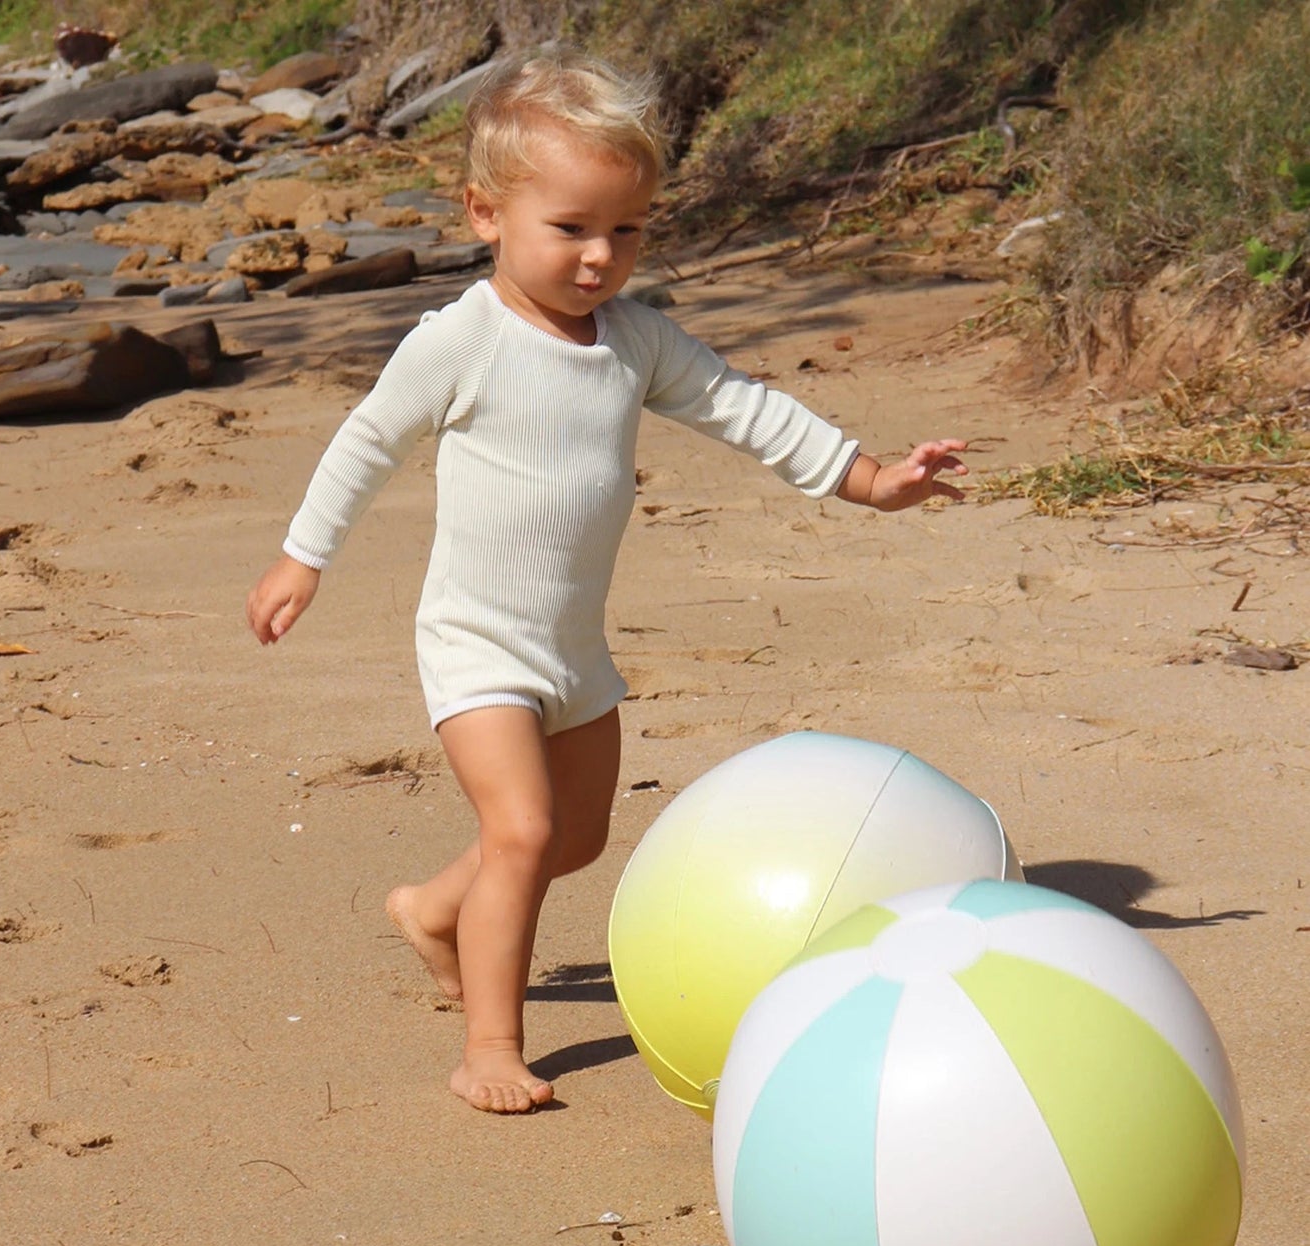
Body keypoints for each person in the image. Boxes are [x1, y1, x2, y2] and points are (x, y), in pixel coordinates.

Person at [246, 49, 968, 1115]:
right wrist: (303, 555)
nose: (599, 257)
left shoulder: (633, 342)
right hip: (476, 644)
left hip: (574, 652)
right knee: (524, 833)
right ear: (485, 214)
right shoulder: (460, 341)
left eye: (625, 231)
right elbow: (366, 441)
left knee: (572, 838)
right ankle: (489, 1040)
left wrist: (869, 477)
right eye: (570, 228)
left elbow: (744, 407)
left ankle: (433, 909)